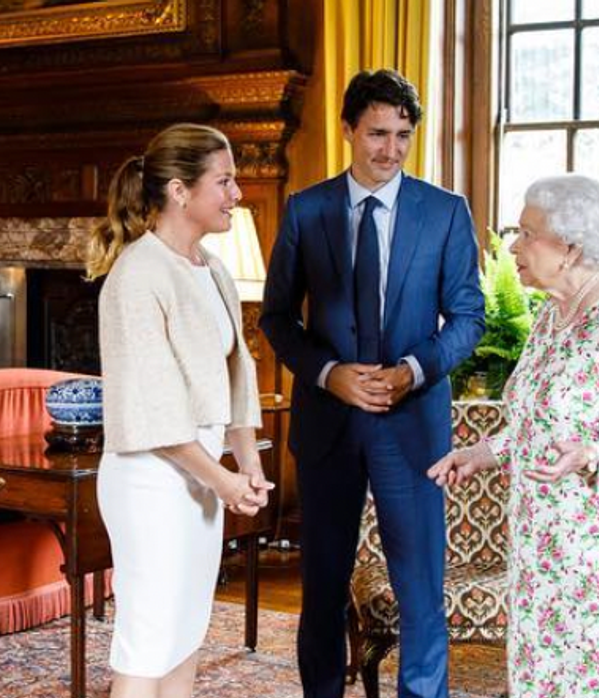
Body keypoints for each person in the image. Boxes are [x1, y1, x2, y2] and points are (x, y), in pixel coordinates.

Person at [260, 69, 485, 698]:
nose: (390, 149)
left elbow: (468, 317)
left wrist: (411, 370)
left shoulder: (445, 213)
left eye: (403, 136)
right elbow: (277, 317)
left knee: (419, 588)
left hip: (412, 427)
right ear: (349, 131)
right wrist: (330, 376)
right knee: (323, 586)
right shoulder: (307, 210)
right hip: (328, 426)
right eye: (378, 134)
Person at [427, 175, 599, 698]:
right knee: (543, 679)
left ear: (569, 247)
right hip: (542, 545)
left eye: (526, 232)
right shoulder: (552, 318)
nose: (512, 246)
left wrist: (592, 452)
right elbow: (532, 422)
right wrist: (484, 451)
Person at [87, 123, 275, 698]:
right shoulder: (137, 275)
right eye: (224, 182)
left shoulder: (211, 267)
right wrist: (221, 478)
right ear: (178, 191)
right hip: (150, 480)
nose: (236, 194)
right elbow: (153, 410)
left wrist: (248, 464)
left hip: (198, 478)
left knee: (184, 634)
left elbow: (238, 369)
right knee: (148, 640)